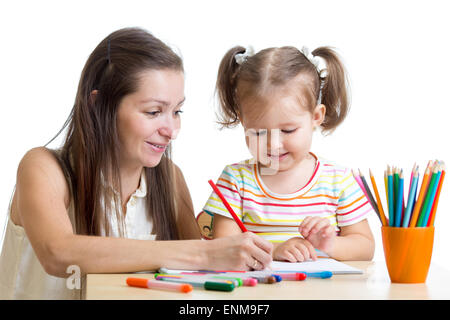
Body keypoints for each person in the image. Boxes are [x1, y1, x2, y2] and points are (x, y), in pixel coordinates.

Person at [0, 28, 273, 300]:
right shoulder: (43, 167)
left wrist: (250, 251)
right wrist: (204, 252)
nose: (172, 130)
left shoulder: (170, 177)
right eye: (154, 112)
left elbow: (200, 272)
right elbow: (57, 254)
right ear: (98, 105)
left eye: (177, 111)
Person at [201, 45, 375, 263]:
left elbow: (365, 247)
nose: (273, 145)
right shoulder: (236, 180)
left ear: (316, 116)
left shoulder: (337, 180)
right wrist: (274, 250)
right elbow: (223, 245)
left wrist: (331, 244)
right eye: (259, 132)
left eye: (287, 130)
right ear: (243, 121)